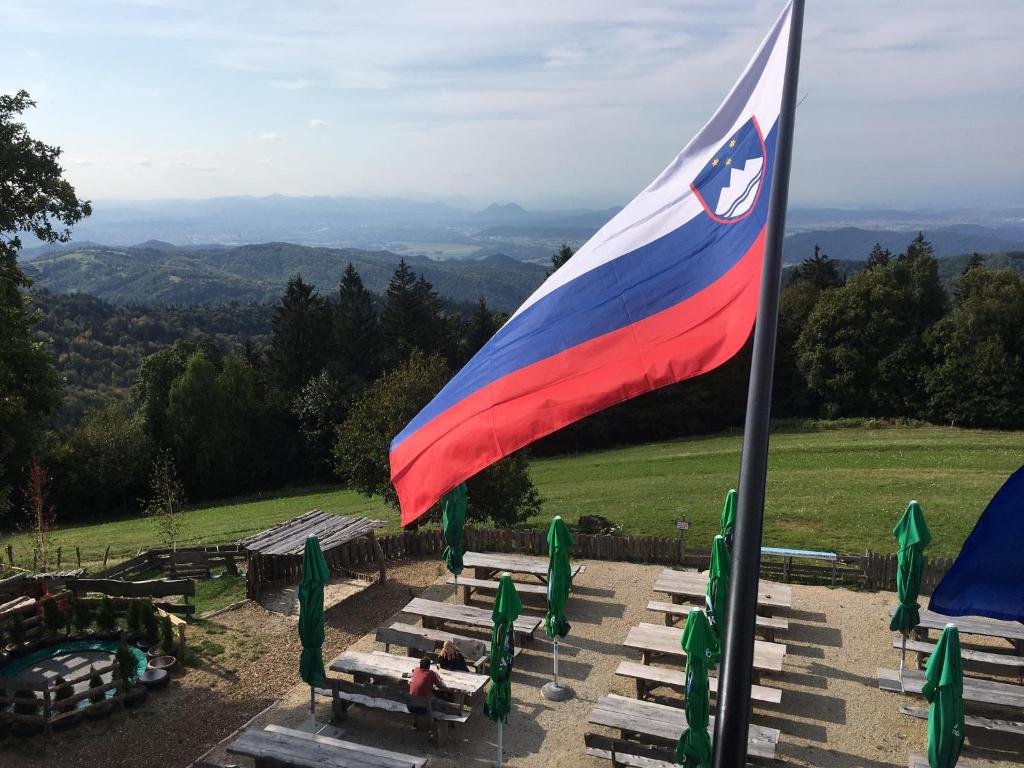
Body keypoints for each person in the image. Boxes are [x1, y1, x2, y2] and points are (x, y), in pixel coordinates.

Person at [408, 657, 448, 726]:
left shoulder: (416, 669)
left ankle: (415, 723)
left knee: (417, 696)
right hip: (423, 708)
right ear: (429, 666)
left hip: (410, 706)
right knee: (435, 699)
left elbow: (414, 671)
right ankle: (432, 721)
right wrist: (437, 677)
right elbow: (440, 686)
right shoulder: (431, 673)